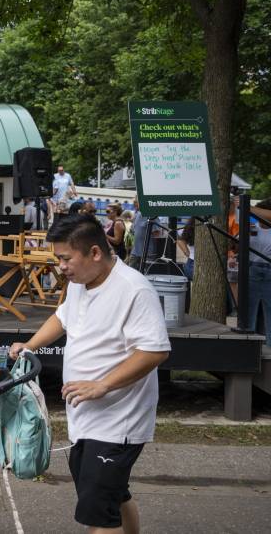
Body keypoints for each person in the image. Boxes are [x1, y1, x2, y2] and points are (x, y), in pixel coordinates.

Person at [10, 214, 170, 534]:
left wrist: (103, 385)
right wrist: (30, 345)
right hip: (85, 417)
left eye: (65, 258)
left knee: (97, 515)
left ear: (95, 252)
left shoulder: (134, 289)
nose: (61, 267)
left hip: (118, 421)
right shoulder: (80, 283)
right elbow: (62, 318)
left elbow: (155, 350)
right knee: (114, 496)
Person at [240, 200, 271, 344]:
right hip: (252, 268)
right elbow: (235, 246)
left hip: (268, 269)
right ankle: (248, 345)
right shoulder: (251, 228)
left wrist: (248, 207)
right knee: (249, 310)